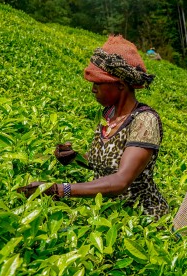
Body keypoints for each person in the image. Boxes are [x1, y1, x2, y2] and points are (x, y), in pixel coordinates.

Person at [18, 35, 169, 219]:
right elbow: (107, 163)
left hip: (141, 220)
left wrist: (59, 189)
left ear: (120, 85)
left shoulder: (144, 121)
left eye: (98, 83)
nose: (93, 89)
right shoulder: (108, 114)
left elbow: (120, 180)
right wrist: (75, 157)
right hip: (107, 214)